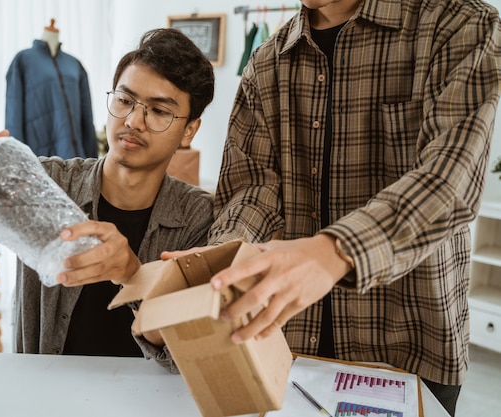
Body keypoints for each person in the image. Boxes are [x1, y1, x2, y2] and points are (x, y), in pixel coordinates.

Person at [164, 0, 500, 415]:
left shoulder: (456, 23)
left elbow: (450, 179)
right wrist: (225, 260)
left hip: (408, 341)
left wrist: (336, 251)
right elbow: (253, 190)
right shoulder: (268, 61)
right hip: (288, 342)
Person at [0, 28, 215, 362]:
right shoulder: (47, 183)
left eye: (158, 111)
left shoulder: (199, 216)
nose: (133, 120)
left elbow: (185, 348)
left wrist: (133, 274)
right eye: (125, 100)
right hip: (42, 399)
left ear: (190, 129)